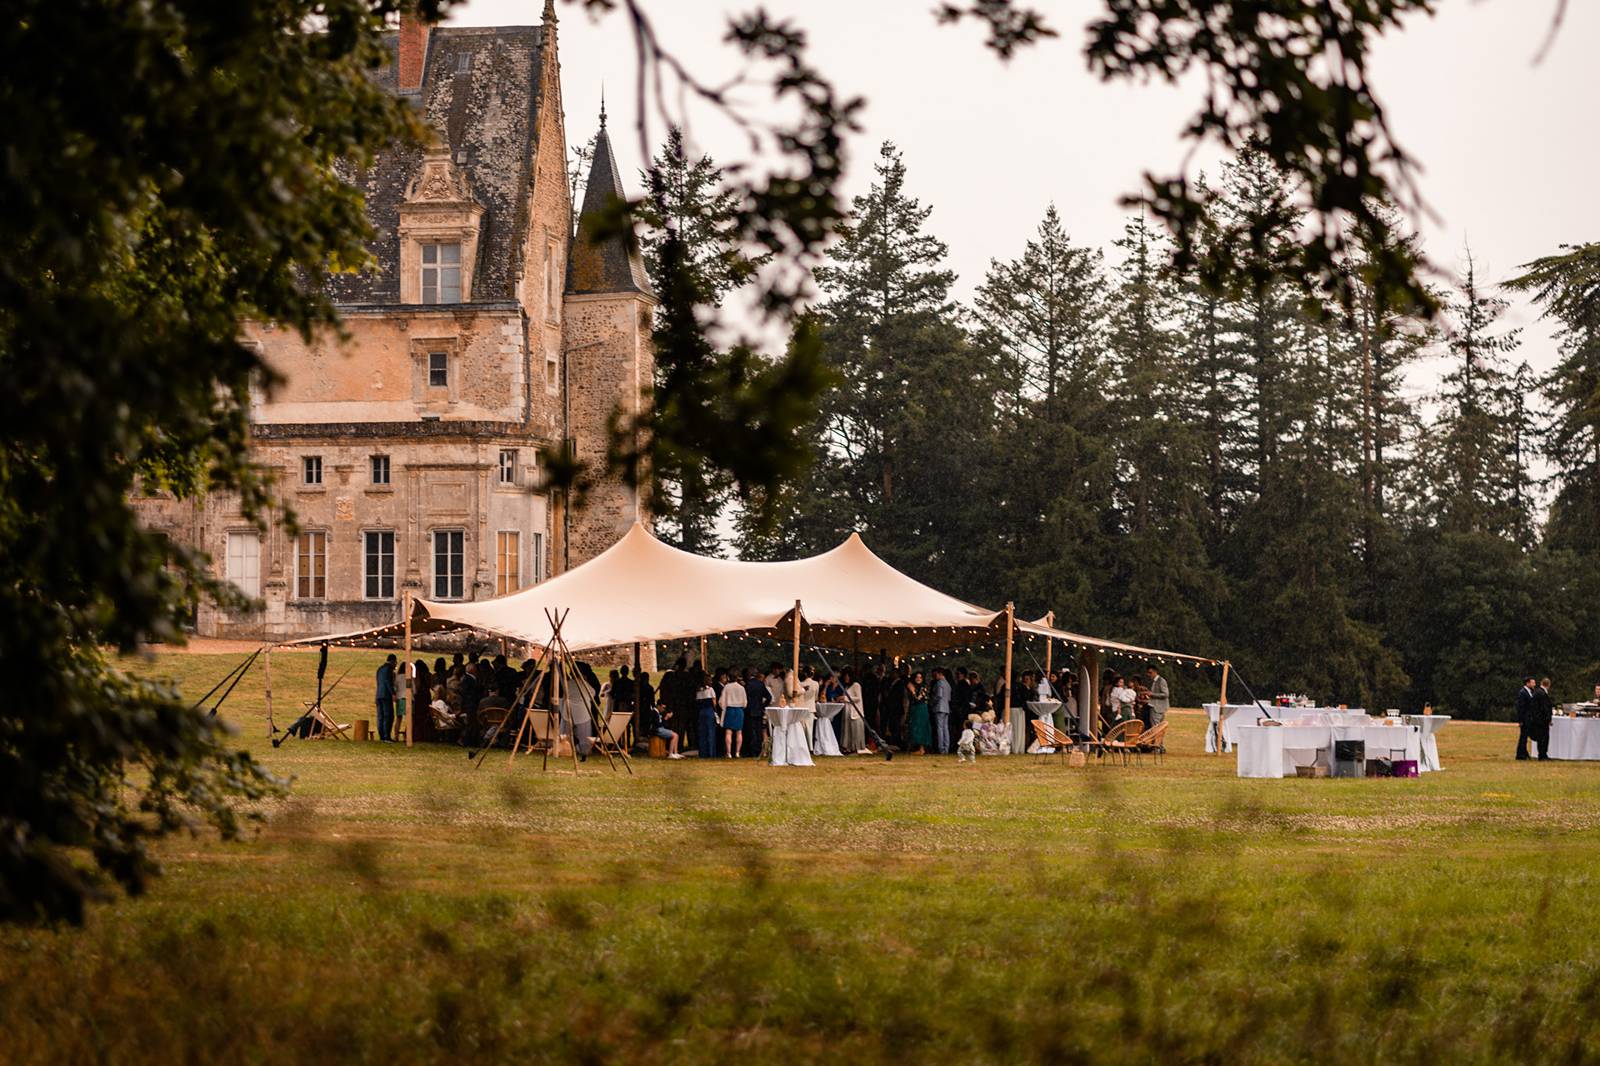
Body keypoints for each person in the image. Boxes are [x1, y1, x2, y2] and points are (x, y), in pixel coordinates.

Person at [718, 669, 747, 758]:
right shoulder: (741, 688)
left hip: (730, 710)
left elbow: (721, 701)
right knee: (739, 732)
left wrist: (724, 708)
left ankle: (729, 752)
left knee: (728, 732)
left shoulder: (726, 687)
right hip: (739, 710)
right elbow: (745, 703)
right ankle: (737, 752)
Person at [743, 666, 769, 759]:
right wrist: (763, 705)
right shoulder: (760, 684)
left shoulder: (747, 685)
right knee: (758, 732)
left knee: (750, 731)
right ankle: (758, 750)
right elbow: (769, 697)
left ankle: (751, 751)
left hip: (749, 711)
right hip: (758, 710)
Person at [905, 670, 931, 754]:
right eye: (917, 677)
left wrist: (912, 691)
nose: (918, 679)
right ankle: (914, 747)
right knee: (913, 727)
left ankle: (921, 749)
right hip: (914, 709)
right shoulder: (913, 686)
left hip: (921, 709)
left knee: (921, 727)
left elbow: (918, 699)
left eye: (920, 677)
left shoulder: (924, 687)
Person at [840, 668, 866, 753]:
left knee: (855, 731)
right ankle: (847, 747)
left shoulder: (856, 685)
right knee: (847, 730)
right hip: (847, 711)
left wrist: (846, 698)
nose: (846, 678)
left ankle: (855, 747)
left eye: (847, 676)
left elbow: (858, 698)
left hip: (855, 712)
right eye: (845, 676)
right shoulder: (847, 686)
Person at [694, 671, 718, 759]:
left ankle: (703, 753)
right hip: (709, 711)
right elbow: (714, 703)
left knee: (702, 733)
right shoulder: (710, 690)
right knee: (710, 732)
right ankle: (711, 753)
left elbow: (697, 701)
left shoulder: (698, 690)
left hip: (701, 712)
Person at [374, 654, 398, 742]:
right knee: (389, 716)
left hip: (378, 695)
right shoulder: (389, 669)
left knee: (381, 717)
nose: (396, 665)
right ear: (393, 661)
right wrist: (393, 693)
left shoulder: (379, 669)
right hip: (386, 695)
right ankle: (386, 736)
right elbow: (388, 682)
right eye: (395, 663)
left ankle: (381, 737)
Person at [930, 666, 952, 755]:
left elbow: (938, 695)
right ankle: (946, 748)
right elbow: (949, 698)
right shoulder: (948, 684)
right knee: (945, 728)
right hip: (946, 707)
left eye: (936, 675)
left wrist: (932, 702)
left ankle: (941, 748)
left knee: (940, 729)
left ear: (939, 674)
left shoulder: (939, 683)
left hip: (939, 707)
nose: (935, 676)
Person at [1515, 676, 1538, 760]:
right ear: (1527, 683)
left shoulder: (1530, 692)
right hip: (1525, 718)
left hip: (1528, 718)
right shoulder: (1523, 693)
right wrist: (1520, 720)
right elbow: (1520, 707)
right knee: (1523, 737)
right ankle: (1520, 754)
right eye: (1533, 682)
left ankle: (1523, 753)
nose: (1534, 684)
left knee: (1524, 737)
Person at [1533, 676, 1555, 760]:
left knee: (1541, 738)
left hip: (1538, 719)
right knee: (1543, 738)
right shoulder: (1542, 693)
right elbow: (1545, 708)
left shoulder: (1537, 691)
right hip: (1542, 720)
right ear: (1548, 685)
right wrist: (1548, 719)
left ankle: (1542, 754)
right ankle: (1542, 755)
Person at [1145, 665, 1170, 732]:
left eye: (1150, 672)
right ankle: (1159, 742)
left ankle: (1157, 742)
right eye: (1148, 673)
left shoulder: (1161, 681)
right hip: (1155, 707)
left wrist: (1152, 694)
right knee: (1158, 728)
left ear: (1155, 672)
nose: (1149, 674)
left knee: (1156, 728)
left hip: (1158, 708)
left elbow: (1166, 694)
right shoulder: (1154, 681)